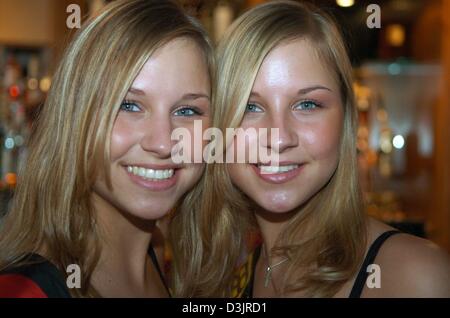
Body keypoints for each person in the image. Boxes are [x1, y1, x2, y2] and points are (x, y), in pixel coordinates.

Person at [173, 0, 450, 297]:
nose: (279, 138)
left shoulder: (414, 277)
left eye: (307, 104)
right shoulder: (221, 276)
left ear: (346, 120)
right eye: (250, 106)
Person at [0, 0, 213, 298]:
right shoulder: (25, 290)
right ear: (74, 118)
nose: (163, 142)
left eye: (188, 111)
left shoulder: (161, 257)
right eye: (129, 105)